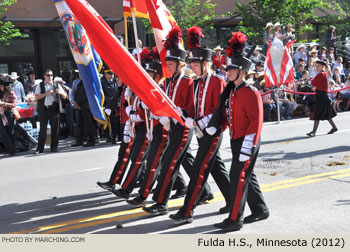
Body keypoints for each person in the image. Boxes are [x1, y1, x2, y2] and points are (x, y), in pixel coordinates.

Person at [207, 31, 269, 232]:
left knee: (238, 177)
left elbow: (255, 123)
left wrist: (247, 147)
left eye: (231, 69)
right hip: (236, 139)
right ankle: (260, 209)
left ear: (242, 72)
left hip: (247, 141)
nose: (227, 72)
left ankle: (235, 219)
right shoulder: (233, 91)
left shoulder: (250, 92)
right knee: (246, 176)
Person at [169, 26, 231, 223]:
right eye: (192, 64)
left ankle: (187, 211)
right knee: (217, 168)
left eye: (196, 64)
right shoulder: (197, 82)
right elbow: (191, 106)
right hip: (200, 129)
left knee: (198, 169)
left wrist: (203, 122)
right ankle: (233, 201)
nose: (192, 67)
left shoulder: (217, 81)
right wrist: (184, 113)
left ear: (206, 64)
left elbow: (220, 107)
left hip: (213, 130)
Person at [142, 25, 196, 216]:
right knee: (185, 160)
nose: (169, 66)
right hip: (172, 126)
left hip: (183, 127)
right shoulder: (170, 81)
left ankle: (160, 202)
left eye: (172, 64)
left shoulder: (187, 81)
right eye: (168, 64)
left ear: (181, 64)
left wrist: (183, 111)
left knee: (168, 163)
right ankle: (204, 191)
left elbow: (192, 106)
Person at [34, 69, 67, 153]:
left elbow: (65, 96)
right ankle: (40, 149)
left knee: (55, 129)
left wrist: (60, 92)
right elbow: (36, 97)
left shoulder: (56, 85)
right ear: (44, 76)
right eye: (48, 75)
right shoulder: (40, 85)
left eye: (51, 75)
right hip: (44, 109)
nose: (50, 77)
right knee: (43, 130)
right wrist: (47, 93)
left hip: (53, 108)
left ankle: (54, 147)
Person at [306, 60, 337, 137]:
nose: (316, 67)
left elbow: (313, 83)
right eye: (316, 66)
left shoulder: (321, 74)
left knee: (317, 114)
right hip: (322, 95)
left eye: (318, 66)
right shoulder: (323, 74)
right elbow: (317, 84)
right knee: (327, 115)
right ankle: (334, 127)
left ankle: (313, 131)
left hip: (322, 96)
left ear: (323, 66)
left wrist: (310, 80)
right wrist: (313, 80)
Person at [70, 76, 96, 147]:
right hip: (79, 106)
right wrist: (75, 102)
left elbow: (87, 95)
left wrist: (80, 103)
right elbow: (76, 93)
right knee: (79, 124)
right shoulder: (78, 83)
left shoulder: (88, 83)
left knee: (89, 124)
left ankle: (92, 140)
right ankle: (79, 141)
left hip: (86, 106)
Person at [101, 69, 119, 144]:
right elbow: (101, 94)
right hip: (108, 105)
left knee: (116, 121)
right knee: (110, 122)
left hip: (116, 104)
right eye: (110, 74)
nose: (112, 75)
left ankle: (117, 135)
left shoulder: (115, 81)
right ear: (105, 74)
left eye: (112, 74)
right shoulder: (102, 83)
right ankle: (111, 136)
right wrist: (109, 99)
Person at [0, 77, 17, 156]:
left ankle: (12, 150)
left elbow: (13, 104)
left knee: (10, 132)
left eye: (2, 86)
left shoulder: (12, 93)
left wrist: (4, 103)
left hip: (9, 114)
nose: (1, 87)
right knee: (4, 133)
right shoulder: (2, 94)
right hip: (3, 114)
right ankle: (9, 150)